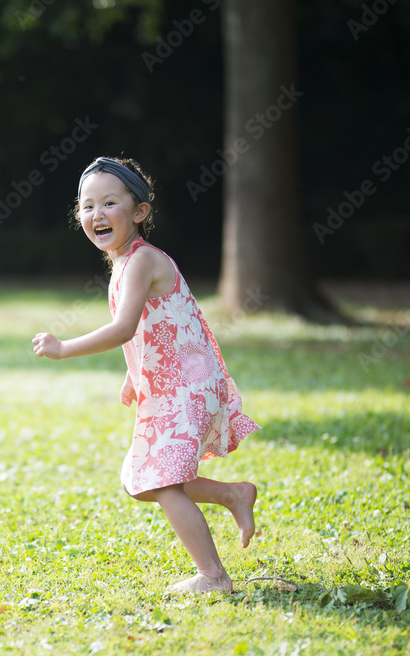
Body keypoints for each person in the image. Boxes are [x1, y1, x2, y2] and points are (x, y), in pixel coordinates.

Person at [32, 156, 260, 594]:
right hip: (171, 386)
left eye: (109, 203)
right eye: (87, 206)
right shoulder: (122, 263)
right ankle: (232, 494)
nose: (97, 214)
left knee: (159, 481)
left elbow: (123, 327)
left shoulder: (141, 261)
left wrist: (63, 349)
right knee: (139, 482)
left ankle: (213, 576)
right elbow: (147, 329)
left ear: (140, 212)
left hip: (187, 387)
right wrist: (133, 373)